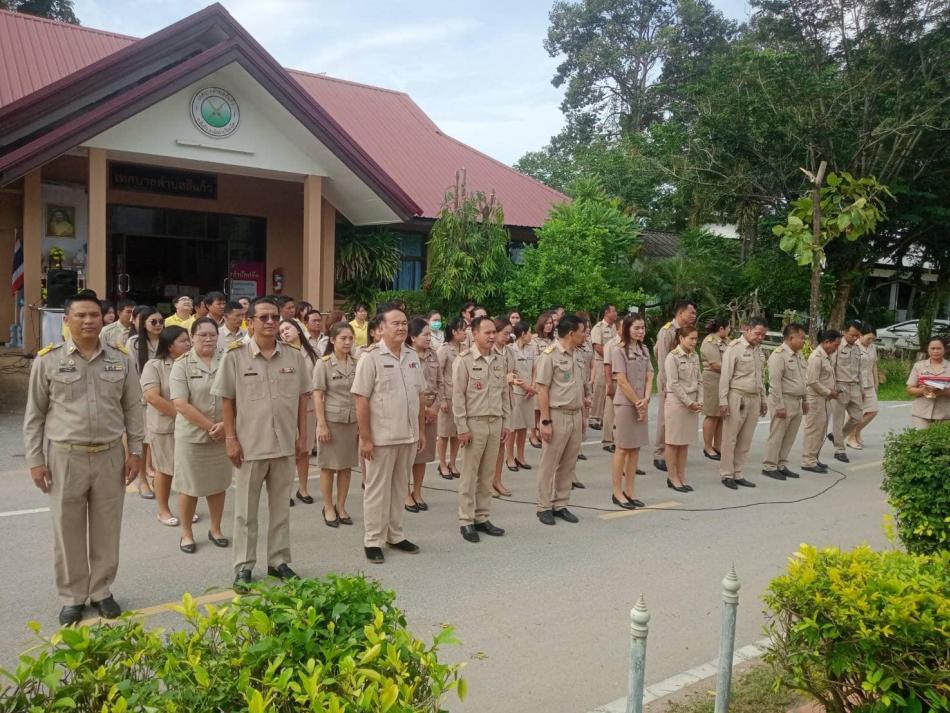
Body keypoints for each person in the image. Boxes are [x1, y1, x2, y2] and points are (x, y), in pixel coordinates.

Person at [23, 290, 144, 624]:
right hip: (65, 457)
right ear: (66, 320)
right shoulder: (48, 360)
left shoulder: (121, 358)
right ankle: (73, 596)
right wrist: (35, 459)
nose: (89, 320)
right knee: (68, 529)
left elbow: (133, 408)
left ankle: (102, 591)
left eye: (94, 314)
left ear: (102, 318)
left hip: (109, 456)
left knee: (107, 529)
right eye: (81, 315)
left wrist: (136, 451)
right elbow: (35, 414)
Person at [211, 296, 312, 592]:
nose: (270, 322)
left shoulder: (293, 356)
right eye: (264, 317)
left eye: (274, 317)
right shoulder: (235, 355)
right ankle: (243, 567)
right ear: (250, 321)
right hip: (250, 446)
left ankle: (278, 561)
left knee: (281, 508)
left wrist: (302, 436)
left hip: (284, 444)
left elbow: (302, 400)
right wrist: (230, 439)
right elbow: (227, 401)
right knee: (245, 512)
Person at [351, 303, 425, 564]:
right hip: (381, 439)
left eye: (405, 323)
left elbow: (419, 395)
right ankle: (373, 540)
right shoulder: (370, 358)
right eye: (396, 323)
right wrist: (366, 438)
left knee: (398, 488)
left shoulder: (413, 356)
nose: (402, 327)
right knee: (376, 490)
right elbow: (361, 400)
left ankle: (395, 534)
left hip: (408, 436)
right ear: (380, 329)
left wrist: (421, 430)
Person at [170, 317, 230, 554]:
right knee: (189, 487)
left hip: (223, 435)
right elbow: (180, 404)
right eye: (202, 334)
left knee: (218, 485)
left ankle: (215, 529)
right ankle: (186, 533)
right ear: (192, 337)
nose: (208, 339)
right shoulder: (182, 364)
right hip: (192, 437)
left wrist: (226, 425)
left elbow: (238, 395)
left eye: (212, 334)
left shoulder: (227, 359)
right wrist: (211, 426)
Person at [453, 315, 511, 542]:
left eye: (493, 332)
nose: (491, 336)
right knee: (469, 475)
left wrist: (506, 422)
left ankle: (482, 516)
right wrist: (461, 427)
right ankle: (466, 520)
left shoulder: (499, 359)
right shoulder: (464, 360)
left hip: (495, 422)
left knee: (487, 474)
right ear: (474, 334)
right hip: (473, 423)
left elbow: (504, 393)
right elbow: (458, 396)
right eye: (486, 332)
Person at [535, 314, 589, 525]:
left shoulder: (577, 354)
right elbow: (542, 389)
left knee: (568, 463)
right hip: (557, 415)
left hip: (575, 414)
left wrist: (583, 411)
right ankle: (543, 506)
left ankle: (561, 504)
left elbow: (578, 386)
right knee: (549, 464)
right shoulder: (549, 355)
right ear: (571, 333)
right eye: (583, 332)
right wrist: (545, 422)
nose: (585, 335)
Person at [141, 326, 192, 526]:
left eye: (189, 340)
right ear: (169, 346)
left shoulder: (192, 363)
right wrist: (183, 416)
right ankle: (163, 510)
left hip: (189, 427)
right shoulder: (155, 366)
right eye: (183, 341)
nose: (188, 344)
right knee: (165, 469)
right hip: (165, 427)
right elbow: (152, 397)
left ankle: (185, 509)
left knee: (185, 469)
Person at [313, 321, 358, 527]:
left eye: (351, 338)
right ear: (332, 340)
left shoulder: (357, 363)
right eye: (343, 338)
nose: (348, 342)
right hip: (331, 422)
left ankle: (341, 505)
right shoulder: (323, 364)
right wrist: (321, 424)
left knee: (346, 466)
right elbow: (318, 395)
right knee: (329, 467)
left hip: (352, 421)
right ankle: (328, 506)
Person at [717, 317, 768, 489]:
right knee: (730, 438)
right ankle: (726, 474)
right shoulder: (734, 348)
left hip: (754, 397)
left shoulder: (758, 350)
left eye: (763, 335)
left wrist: (763, 399)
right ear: (747, 330)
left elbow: (760, 377)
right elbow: (725, 376)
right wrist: (723, 401)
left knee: (745, 439)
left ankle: (738, 472)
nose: (760, 338)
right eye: (757, 334)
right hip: (736, 396)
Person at [611, 312, 653, 508]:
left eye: (642, 327)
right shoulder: (619, 350)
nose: (640, 331)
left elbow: (650, 374)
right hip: (626, 404)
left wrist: (646, 398)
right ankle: (617, 491)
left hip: (640, 403)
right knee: (622, 448)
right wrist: (638, 402)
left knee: (635, 448)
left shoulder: (644, 349)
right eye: (636, 327)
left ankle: (630, 490)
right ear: (627, 329)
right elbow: (621, 379)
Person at [279, 319, 320, 506]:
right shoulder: (280, 353)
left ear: (298, 329)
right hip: (286, 409)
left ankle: (303, 489)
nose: (284, 332)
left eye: (287, 328)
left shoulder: (313, 352)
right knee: (287, 453)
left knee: (304, 450)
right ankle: (284, 492)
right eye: (281, 331)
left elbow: (319, 378)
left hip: (309, 408)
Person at [653, 300, 698, 471]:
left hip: (683, 379)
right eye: (691, 312)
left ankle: (675, 451)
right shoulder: (667, 331)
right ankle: (659, 454)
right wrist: (665, 386)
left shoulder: (686, 332)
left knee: (679, 419)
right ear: (680, 313)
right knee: (665, 419)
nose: (693, 316)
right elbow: (662, 358)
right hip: (668, 380)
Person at [761, 324, 808, 480]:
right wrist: (779, 406)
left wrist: (805, 400)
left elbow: (803, 379)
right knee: (777, 434)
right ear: (791, 338)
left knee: (789, 435)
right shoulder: (778, 355)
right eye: (802, 338)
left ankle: (781, 464)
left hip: (796, 400)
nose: (804, 341)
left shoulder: (799, 355)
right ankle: (769, 465)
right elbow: (775, 384)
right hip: (783, 400)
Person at [406, 316, 442, 512]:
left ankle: (417, 492)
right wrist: (423, 410)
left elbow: (440, 384)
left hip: (431, 412)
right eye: (425, 335)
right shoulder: (406, 356)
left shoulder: (433, 355)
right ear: (413, 337)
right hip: (412, 412)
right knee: (408, 456)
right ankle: (405, 493)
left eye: (430, 334)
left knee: (423, 455)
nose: (429, 338)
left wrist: (434, 408)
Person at [664, 325, 702, 492]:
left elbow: (700, 379)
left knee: (684, 442)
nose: (694, 341)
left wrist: (699, 400)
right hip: (678, 403)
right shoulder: (672, 357)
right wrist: (689, 402)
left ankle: (681, 474)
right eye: (691, 338)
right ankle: (672, 477)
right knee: (673, 442)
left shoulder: (695, 356)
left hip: (692, 403)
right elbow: (673, 383)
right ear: (681, 338)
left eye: (696, 338)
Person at [801, 330, 842, 473]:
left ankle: (814, 458)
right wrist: (829, 392)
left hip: (825, 399)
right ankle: (808, 461)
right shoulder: (816, 357)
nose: (836, 348)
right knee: (813, 430)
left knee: (821, 430)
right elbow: (812, 381)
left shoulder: (827, 357)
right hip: (816, 399)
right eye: (835, 345)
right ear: (826, 342)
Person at [828, 320, 864, 463]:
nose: (855, 338)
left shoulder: (857, 348)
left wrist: (861, 388)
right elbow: (831, 368)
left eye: (857, 336)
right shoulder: (837, 346)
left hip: (854, 386)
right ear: (844, 332)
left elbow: (860, 370)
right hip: (840, 386)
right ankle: (839, 450)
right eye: (852, 335)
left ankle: (838, 436)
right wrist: (832, 388)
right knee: (838, 419)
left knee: (857, 417)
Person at [436, 317, 466, 480]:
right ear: (454, 331)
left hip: (460, 397)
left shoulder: (464, 348)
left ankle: (452, 462)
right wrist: (441, 399)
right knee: (443, 434)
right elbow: (438, 375)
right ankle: (442, 463)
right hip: (447, 395)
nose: (465, 333)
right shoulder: (444, 350)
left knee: (456, 433)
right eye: (462, 330)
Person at [504, 323, 536, 472]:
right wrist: (525, 387)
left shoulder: (532, 348)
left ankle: (520, 456)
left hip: (529, 393)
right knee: (513, 428)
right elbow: (511, 371)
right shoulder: (510, 350)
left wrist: (533, 386)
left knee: (524, 426)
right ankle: (509, 457)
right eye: (530, 332)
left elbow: (535, 368)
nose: (531, 335)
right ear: (523, 333)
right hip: (516, 392)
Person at [489, 317, 516, 495]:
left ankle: (497, 480)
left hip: (506, 402)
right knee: (489, 447)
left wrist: (515, 380)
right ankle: (487, 482)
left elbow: (513, 373)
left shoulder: (510, 352)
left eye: (509, 333)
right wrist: (504, 379)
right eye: (504, 333)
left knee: (501, 445)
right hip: (491, 403)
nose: (507, 337)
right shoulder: (488, 352)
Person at [700, 318, 729, 460]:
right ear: (722, 328)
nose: (730, 330)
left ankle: (718, 445)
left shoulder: (726, 341)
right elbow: (715, 364)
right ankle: (707, 447)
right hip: (713, 380)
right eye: (728, 327)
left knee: (721, 414)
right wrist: (734, 370)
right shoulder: (710, 341)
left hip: (724, 380)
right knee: (711, 414)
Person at [905, 337, 950, 428]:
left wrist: (942, 392)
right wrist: (923, 391)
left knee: (942, 441)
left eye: (939, 348)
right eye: (932, 348)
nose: (935, 351)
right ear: (928, 349)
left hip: (945, 414)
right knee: (921, 440)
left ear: (944, 350)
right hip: (921, 413)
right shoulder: (919, 366)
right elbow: (909, 389)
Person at [850, 325, 881, 448]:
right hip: (856, 384)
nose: (871, 341)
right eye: (869, 339)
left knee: (873, 410)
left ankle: (856, 431)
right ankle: (851, 437)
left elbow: (874, 365)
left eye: (873, 339)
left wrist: (876, 382)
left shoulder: (873, 347)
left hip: (869, 383)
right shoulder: (853, 347)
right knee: (856, 413)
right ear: (861, 335)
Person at [590, 304, 618, 431]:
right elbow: (597, 346)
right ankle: (594, 417)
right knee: (599, 389)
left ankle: (603, 417)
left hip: (613, 363)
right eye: (614, 311)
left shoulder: (614, 328)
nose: (616, 313)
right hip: (602, 362)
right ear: (607, 313)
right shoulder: (598, 328)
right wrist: (609, 357)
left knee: (609, 389)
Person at [530, 311, 557, 448]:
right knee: (536, 408)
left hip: (552, 377)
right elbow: (535, 362)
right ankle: (533, 434)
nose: (549, 326)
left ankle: (541, 432)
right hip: (539, 375)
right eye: (546, 323)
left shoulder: (554, 341)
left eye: (551, 323)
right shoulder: (535, 341)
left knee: (544, 407)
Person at [128, 305, 163, 371]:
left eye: (161, 321)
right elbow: (131, 367)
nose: (158, 325)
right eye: (153, 322)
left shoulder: (168, 340)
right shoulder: (133, 342)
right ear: (144, 324)